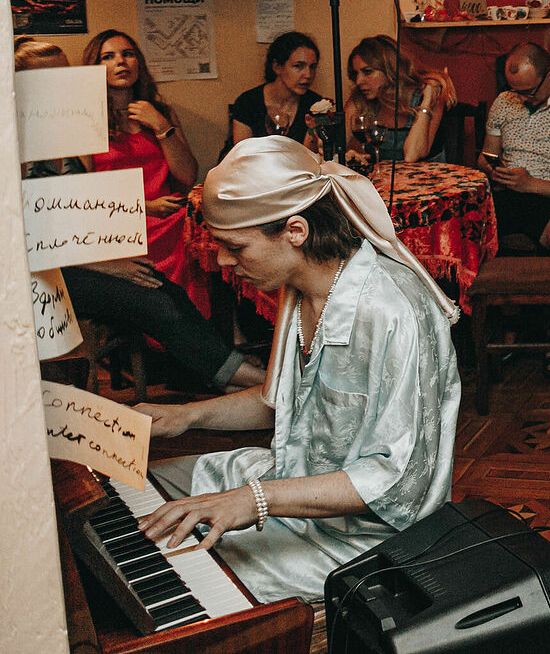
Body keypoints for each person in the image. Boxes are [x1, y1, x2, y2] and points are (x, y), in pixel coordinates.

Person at [134, 136, 461, 605]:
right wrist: (187, 416)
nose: (223, 260)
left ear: (295, 231)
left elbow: (395, 477)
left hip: (365, 541)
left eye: (235, 246)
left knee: (180, 572)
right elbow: (285, 400)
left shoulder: (390, 311)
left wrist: (255, 499)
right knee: (142, 491)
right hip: (290, 482)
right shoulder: (300, 288)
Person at [16, 37, 264, 392]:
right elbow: (26, 237)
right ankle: (246, 379)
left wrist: (108, 255)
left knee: (165, 287)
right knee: (152, 298)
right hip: (40, 274)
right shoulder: (14, 140)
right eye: (49, 77)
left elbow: (79, 210)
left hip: (82, 256)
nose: (63, 83)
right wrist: (107, 264)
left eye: (65, 72)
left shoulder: (63, 130)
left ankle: (224, 374)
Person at [84, 29, 208, 314]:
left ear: (138, 62)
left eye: (128, 54)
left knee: (203, 239)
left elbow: (187, 176)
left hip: (171, 222)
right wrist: (146, 207)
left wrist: (161, 126)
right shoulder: (87, 119)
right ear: (94, 67)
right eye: (108, 57)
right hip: (119, 224)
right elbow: (84, 195)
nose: (121, 62)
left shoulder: (161, 111)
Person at [478, 42, 550, 257]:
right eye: (515, 90)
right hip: (506, 194)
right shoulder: (504, 102)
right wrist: (495, 170)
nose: (521, 99)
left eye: (529, 92)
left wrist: (531, 184)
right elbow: (486, 157)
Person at [345, 35, 456, 164]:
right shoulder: (361, 99)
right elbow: (336, 145)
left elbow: (412, 155)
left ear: (390, 69)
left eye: (368, 72)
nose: (359, 81)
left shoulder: (427, 96)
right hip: (381, 176)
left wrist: (426, 103)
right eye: (356, 74)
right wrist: (353, 155)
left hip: (425, 175)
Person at [225, 32, 329, 154]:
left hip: (299, 165)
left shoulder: (315, 104)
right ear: (277, 67)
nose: (308, 75)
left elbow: (310, 156)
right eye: (298, 66)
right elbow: (243, 155)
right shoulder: (248, 102)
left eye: (312, 67)